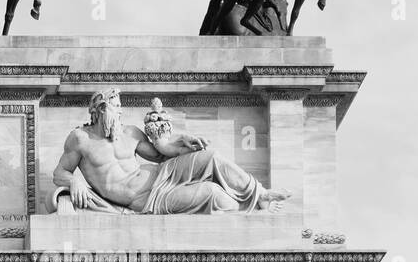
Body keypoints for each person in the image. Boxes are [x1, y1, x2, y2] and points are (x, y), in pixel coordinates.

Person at [52, 89, 290, 214]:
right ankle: (250, 210)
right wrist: (74, 182)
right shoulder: (80, 139)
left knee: (211, 157)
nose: (121, 112)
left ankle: (260, 194)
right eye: (116, 107)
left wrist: (182, 141)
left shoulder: (130, 132)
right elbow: (59, 172)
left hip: (163, 173)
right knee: (212, 194)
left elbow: (160, 153)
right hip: (147, 199)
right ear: (101, 109)